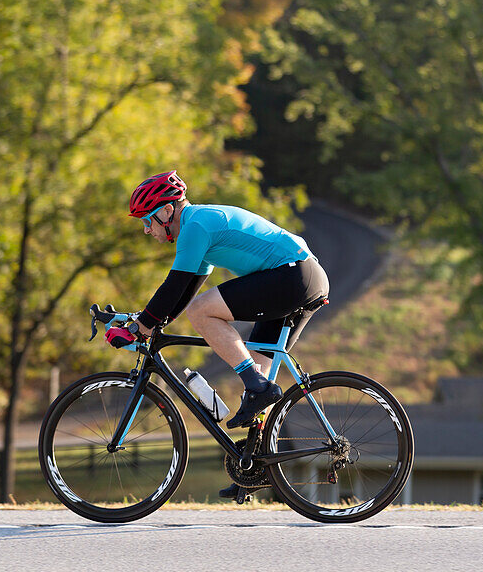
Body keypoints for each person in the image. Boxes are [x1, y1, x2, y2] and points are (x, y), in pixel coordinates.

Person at [108, 170, 329, 436]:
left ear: (167, 211)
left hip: (293, 275)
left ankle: (258, 387)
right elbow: (185, 290)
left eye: (146, 220)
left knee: (202, 312)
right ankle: (257, 467)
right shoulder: (199, 223)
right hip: (302, 277)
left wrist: (139, 328)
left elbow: (174, 286)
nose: (146, 230)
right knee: (256, 382)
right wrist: (151, 322)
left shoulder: (195, 226)